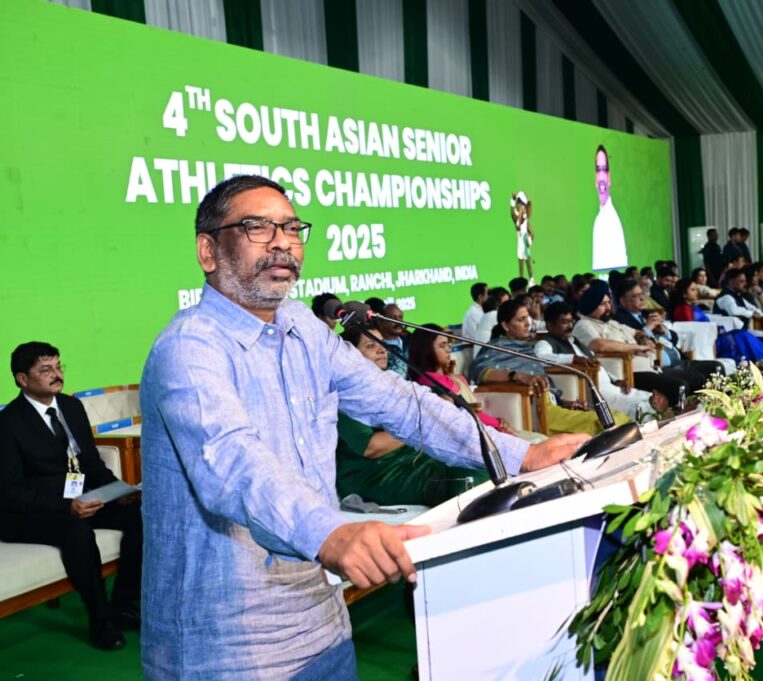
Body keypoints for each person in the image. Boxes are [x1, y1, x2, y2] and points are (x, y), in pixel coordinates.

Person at [138, 175, 585, 678]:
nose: (283, 242)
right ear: (208, 251)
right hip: (228, 649)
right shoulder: (188, 348)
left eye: (292, 228)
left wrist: (520, 455)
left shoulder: (303, 329)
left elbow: (397, 401)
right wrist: (330, 533)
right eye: (258, 227)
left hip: (323, 625)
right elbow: (234, 464)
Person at [0, 342, 142, 651]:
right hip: (31, 512)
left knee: (138, 516)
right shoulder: (8, 423)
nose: (57, 374)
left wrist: (118, 490)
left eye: (58, 366)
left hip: (79, 498)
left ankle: (122, 604)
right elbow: (9, 491)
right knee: (77, 530)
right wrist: (66, 506)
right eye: (46, 370)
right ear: (22, 379)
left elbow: (90, 462)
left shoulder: (71, 407)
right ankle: (100, 620)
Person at [335, 326, 489, 507]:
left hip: (413, 460)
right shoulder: (344, 398)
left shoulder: (391, 384)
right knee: (468, 480)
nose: (382, 349)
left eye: (382, 344)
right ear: (350, 356)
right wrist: (423, 422)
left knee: (483, 462)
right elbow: (371, 447)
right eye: (370, 346)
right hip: (376, 474)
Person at [470, 300, 630, 435]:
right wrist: (517, 376)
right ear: (506, 325)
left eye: (528, 318)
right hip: (538, 411)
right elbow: (480, 372)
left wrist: (564, 402)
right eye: (521, 320)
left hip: (552, 404)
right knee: (607, 421)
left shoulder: (524, 347)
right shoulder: (496, 348)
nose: (528, 324)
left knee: (614, 415)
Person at [572, 280, 709, 407]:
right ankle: (677, 418)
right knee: (679, 386)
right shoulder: (584, 325)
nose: (608, 307)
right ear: (591, 305)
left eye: (609, 302)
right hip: (629, 372)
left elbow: (636, 332)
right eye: (603, 304)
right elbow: (600, 345)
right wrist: (636, 347)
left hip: (652, 367)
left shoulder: (611, 323)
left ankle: (701, 413)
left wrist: (643, 338)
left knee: (698, 379)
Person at [406, 324, 545, 443]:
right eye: (442, 345)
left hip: (485, 427)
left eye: (448, 344)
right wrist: (498, 424)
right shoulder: (430, 382)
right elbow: (467, 414)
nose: (448, 349)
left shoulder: (450, 378)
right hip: (474, 435)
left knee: (541, 440)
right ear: (426, 350)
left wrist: (498, 422)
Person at [534, 302, 666, 418]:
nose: (570, 326)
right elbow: (541, 358)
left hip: (610, 385)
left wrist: (616, 380)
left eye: (571, 321)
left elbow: (597, 365)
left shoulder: (574, 341)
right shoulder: (545, 342)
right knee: (642, 406)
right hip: (593, 391)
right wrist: (572, 358)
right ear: (550, 324)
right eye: (564, 322)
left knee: (649, 398)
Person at [670, 279, 763, 362]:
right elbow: (690, 328)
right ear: (684, 294)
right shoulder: (683, 309)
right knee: (738, 336)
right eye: (692, 290)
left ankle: (758, 362)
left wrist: (716, 329)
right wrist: (715, 330)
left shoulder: (692, 307)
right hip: (703, 341)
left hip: (710, 336)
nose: (696, 292)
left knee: (740, 334)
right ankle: (753, 362)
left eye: (696, 289)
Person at [592, 145, 628, 270]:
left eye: (605, 169)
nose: (601, 176)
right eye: (598, 170)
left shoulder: (613, 220)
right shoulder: (598, 220)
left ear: (609, 177)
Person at [510, 191, 534, 280]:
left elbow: (519, 226)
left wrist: (529, 240)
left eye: (523, 204)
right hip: (520, 242)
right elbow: (513, 216)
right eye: (519, 203)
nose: (521, 206)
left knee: (527, 261)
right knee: (520, 262)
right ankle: (522, 280)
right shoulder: (518, 214)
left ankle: (531, 279)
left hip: (524, 240)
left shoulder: (524, 216)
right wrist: (512, 202)